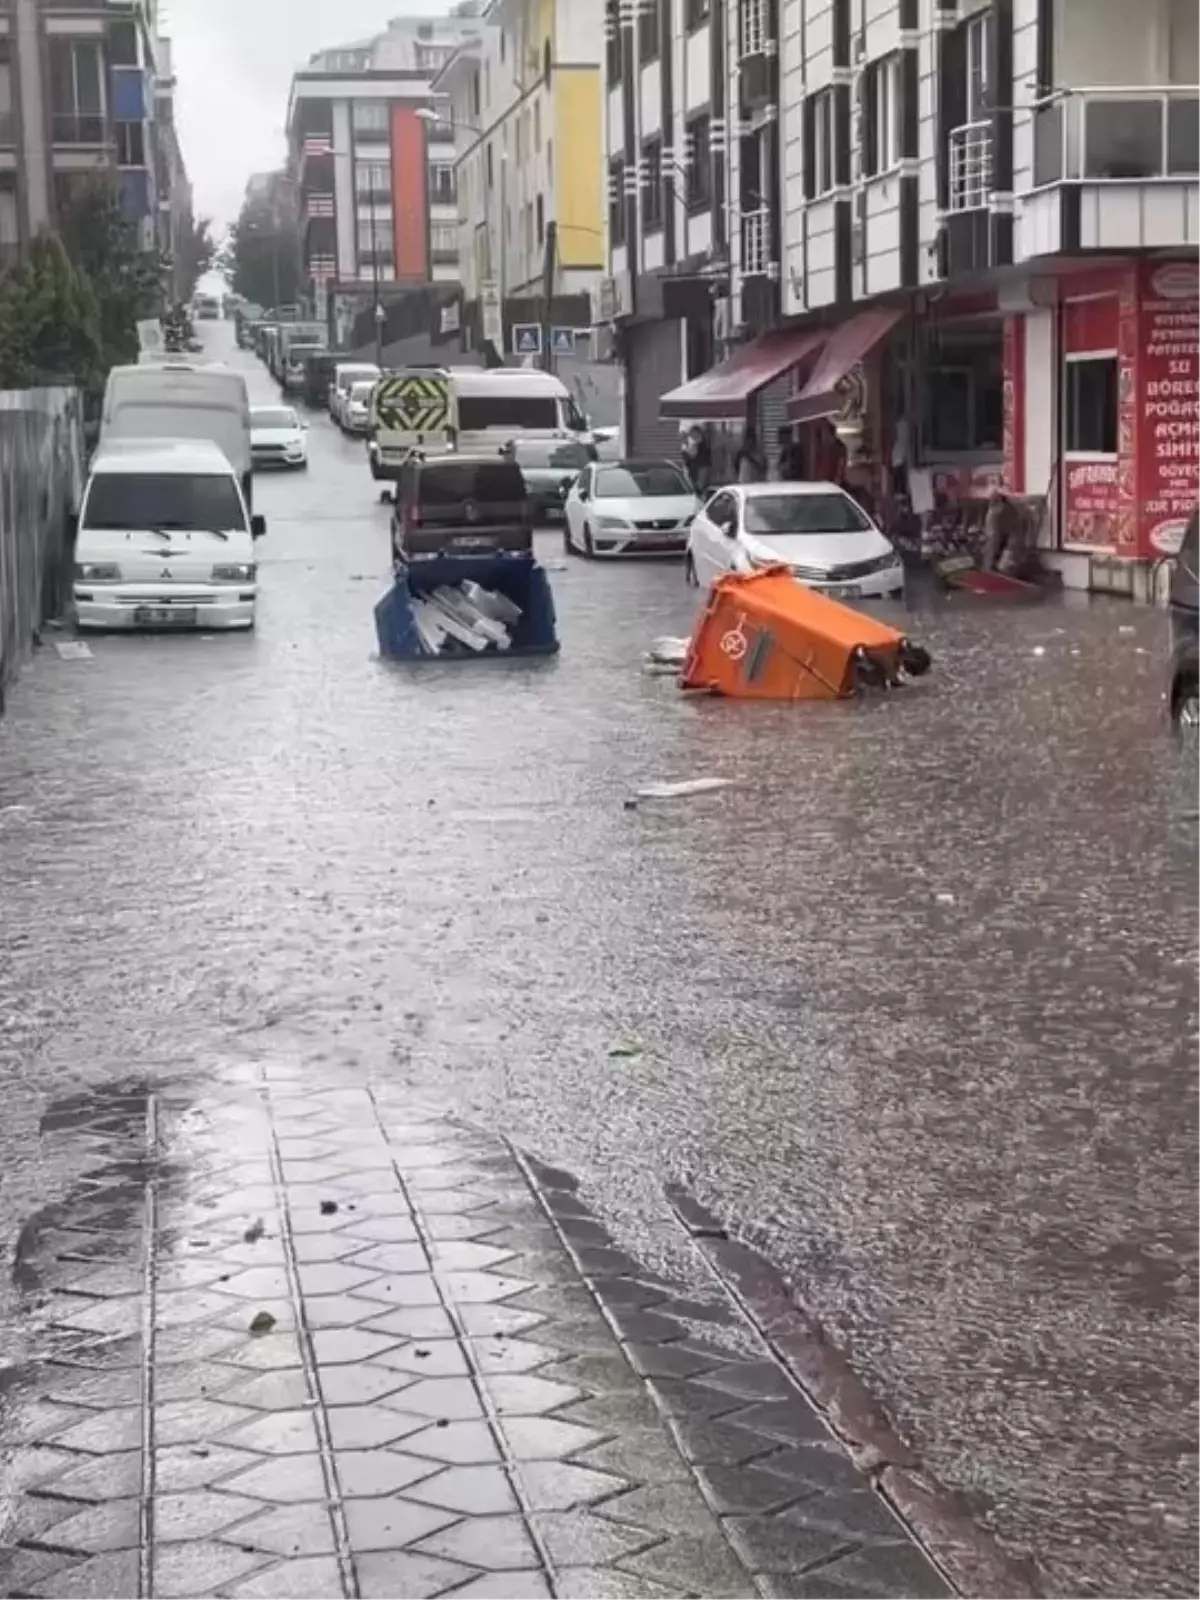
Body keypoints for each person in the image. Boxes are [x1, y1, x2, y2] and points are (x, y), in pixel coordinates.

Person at [681, 425, 712, 495]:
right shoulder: (691, 445)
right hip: (693, 472)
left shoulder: (700, 445)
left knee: (699, 489)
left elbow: (693, 455)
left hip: (700, 470)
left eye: (695, 434)